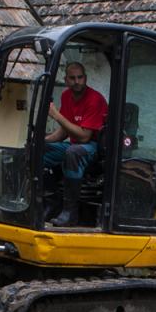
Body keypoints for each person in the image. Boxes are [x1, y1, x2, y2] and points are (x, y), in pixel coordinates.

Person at [42, 61, 107, 227]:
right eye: (72, 78)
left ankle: (70, 212)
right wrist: (43, 141)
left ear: (85, 78)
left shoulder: (95, 99)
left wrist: (56, 115)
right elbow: (64, 131)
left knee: (74, 152)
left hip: (92, 147)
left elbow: (85, 136)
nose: (77, 81)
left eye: (80, 77)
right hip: (73, 144)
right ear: (66, 80)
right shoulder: (66, 96)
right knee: (38, 150)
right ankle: (51, 201)